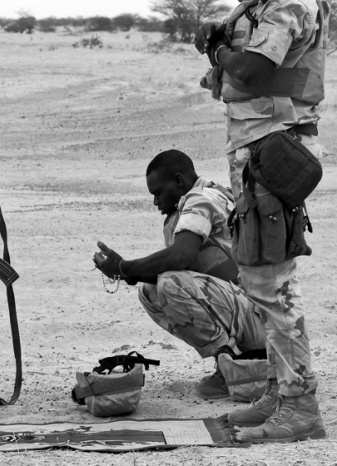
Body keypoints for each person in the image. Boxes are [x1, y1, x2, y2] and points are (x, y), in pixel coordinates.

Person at [192, 0, 329, 443]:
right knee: (258, 280)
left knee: (274, 285)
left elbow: (251, 69)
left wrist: (220, 49)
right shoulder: (262, 1)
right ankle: (279, 391)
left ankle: (301, 407)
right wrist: (224, 41)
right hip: (257, 150)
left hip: (275, 150)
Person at [93, 149, 266, 400]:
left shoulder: (199, 200)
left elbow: (179, 258)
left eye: (158, 193)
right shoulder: (211, 193)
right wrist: (131, 273)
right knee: (150, 290)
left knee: (169, 284)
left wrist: (124, 267)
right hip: (254, 312)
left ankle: (230, 366)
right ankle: (238, 359)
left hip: (259, 316)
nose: (156, 202)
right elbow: (194, 269)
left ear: (178, 181)